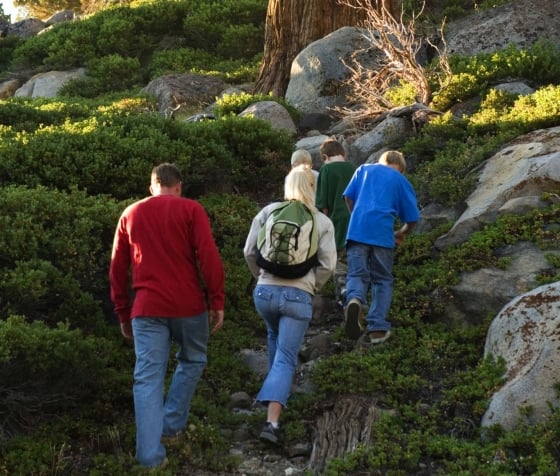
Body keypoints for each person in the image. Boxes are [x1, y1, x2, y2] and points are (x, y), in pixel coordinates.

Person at [109, 163, 225, 468]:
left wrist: (123, 311)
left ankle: (149, 458)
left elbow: (117, 269)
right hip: (188, 306)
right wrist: (217, 300)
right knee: (193, 359)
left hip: (146, 309)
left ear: (152, 187)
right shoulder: (191, 210)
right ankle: (171, 426)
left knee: (146, 379)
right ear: (179, 186)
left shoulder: (130, 213)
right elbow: (209, 256)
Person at [244, 164, 336, 445]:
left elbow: (249, 251)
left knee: (274, 337)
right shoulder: (321, 221)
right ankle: (272, 422)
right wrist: (312, 286)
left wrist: (261, 278)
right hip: (297, 296)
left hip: (264, 293)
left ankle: (276, 392)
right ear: (313, 188)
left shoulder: (267, 212)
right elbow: (329, 265)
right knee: (286, 357)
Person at [342, 150, 419, 345]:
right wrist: (402, 232)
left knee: (357, 275)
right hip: (383, 235)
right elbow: (412, 218)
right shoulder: (400, 180)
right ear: (401, 168)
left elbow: (348, 197)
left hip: (357, 230)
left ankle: (354, 300)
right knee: (382, 280)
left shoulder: (363, 170)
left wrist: (356, 217)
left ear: (381, 161)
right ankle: (377, 328)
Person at [315, 137, 356, 306]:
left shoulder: (326, 171)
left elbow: (323, 202)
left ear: (325, 156)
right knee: (353, 257)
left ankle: (344, 293)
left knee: (337, 259)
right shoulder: (353, 168)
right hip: (355, 219)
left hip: (336, 220)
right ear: (342, 153)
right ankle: (357, 294)